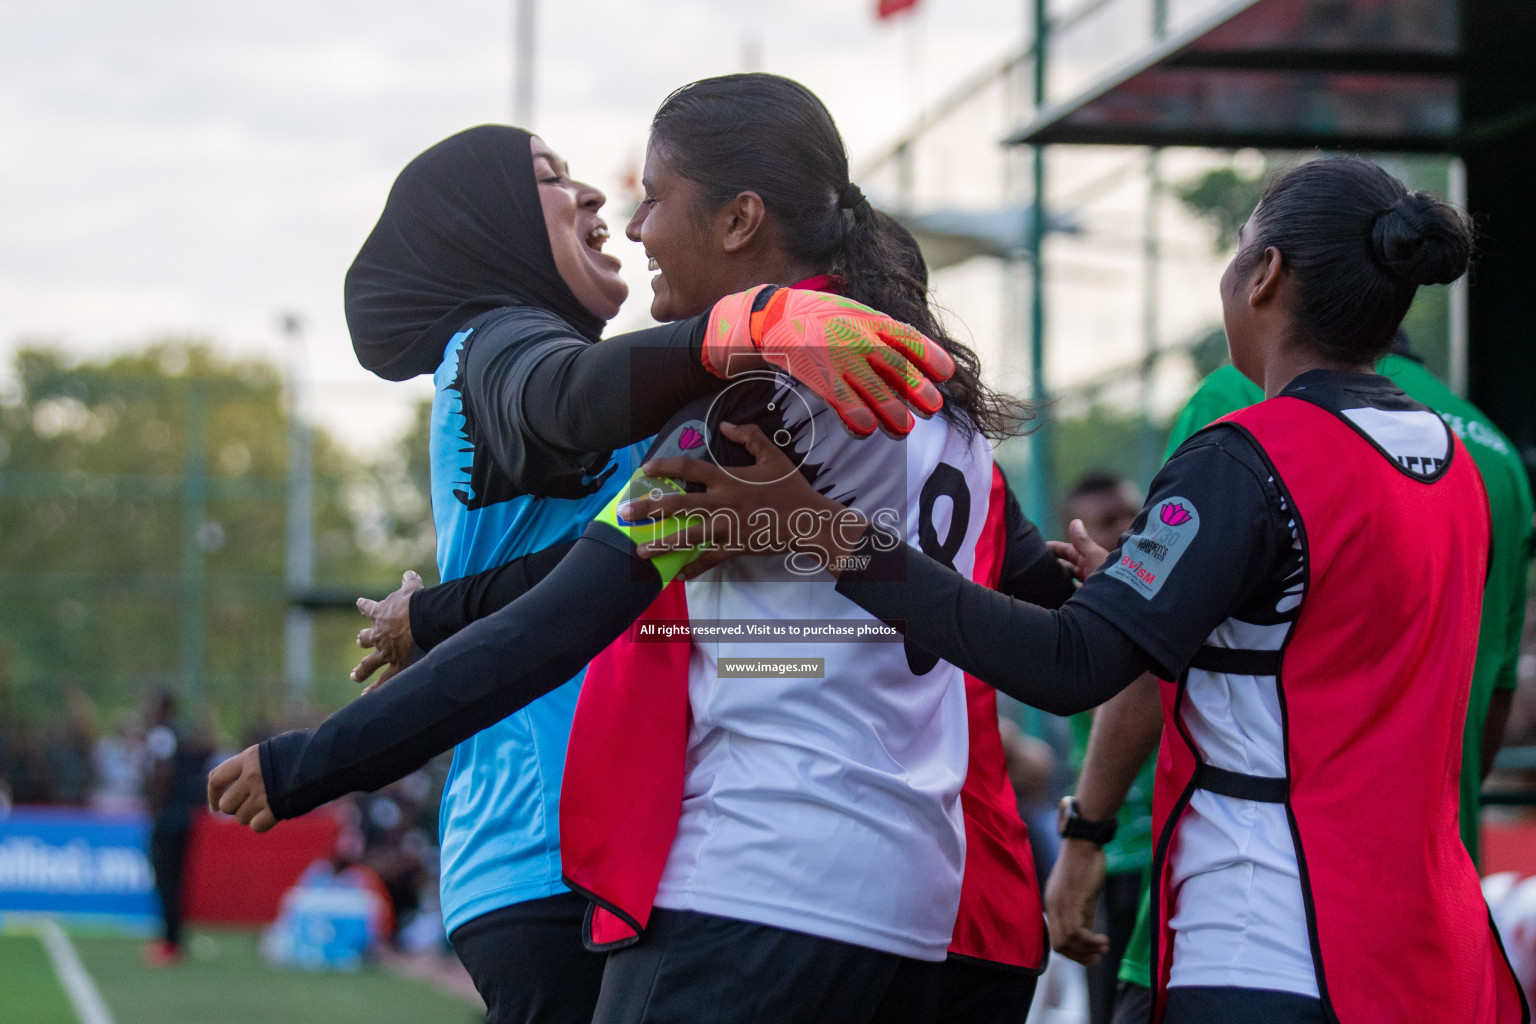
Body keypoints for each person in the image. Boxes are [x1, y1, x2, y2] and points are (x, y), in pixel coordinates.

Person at [211, 74, 1070, 1024]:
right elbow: (1052, 641)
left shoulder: (745, 410)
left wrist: (315, 760)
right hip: (927, 895)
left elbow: (554, 623)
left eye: (653, 197)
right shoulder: (945, 417)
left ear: (741, 219)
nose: (634, 221)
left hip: (752, 873)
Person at [619, 156, 1528, 1023]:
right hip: (1438, 951)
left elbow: (1070, 666)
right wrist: (1149, 596)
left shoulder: (1249, 453)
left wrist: (814, 524)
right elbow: (1325, 655)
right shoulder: (1458, 464)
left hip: (1279, 944)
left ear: (1265, 275)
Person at [1055, 331, 1536, 1024]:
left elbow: (1122, 653)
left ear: (1270, 274)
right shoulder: (1480, 453)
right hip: (1432, 935)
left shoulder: (1237, 408)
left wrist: (1086, 830)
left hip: (1247, 924)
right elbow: (1490, 702)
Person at [1052, 473, 1152, 1024]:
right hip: (1110, 860)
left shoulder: (1170, 606)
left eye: (1133, 516)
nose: (1126, 531)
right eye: (1107, 523)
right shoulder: (1077, 620)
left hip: (1167, 853)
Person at [144, 689, 213, 967]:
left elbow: (164, 774)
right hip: (185, 816)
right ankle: (173, 940)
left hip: (170, 817)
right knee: (175, 880)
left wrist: (156, 804)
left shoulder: (162, 735)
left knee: (166, 880)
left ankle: (170, 942)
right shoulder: (180, 734)